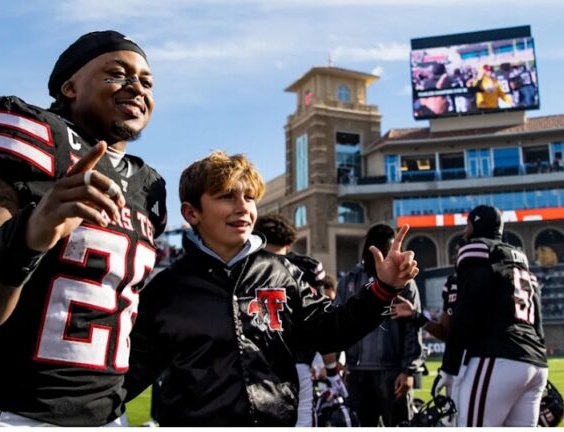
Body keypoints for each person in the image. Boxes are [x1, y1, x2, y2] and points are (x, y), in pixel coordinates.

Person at [0, 30, 167, 427]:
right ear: (69, 87)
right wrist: (28, 236)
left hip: (107, 418)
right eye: (116, 74)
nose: (137, 88)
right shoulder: (29, 134)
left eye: (147, 81)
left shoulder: (149, 188)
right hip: (7, 410)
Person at [123, 151, 419, 426]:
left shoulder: (282, 273)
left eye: (249, 197)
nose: (243, 207)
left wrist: (383, 288)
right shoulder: (167, 289)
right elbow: (127, 374)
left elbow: (332, 330)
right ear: (191, 213)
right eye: (227, 196)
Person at [437, 205, 548, 427]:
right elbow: (537, 318)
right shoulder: (520, 260)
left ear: (476, 225)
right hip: (535, 361)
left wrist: (449, 366)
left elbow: (466, 309)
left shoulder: (477, 251)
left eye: (468, 225)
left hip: (498, 356)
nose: (464, 231)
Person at [334, 224, 424, 426]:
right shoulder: (348, 281)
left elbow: (412, 328)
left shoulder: (404, 281)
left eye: (388, 248)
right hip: (357, 372)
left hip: (393, 372)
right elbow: (338, 322)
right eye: (379, 247)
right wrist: (337, 360)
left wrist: (408, 370)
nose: (385, 254)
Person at [253, 212, 327, 427]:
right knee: (301, 422)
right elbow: (321, 318)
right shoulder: (307, 267)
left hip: (259, 361)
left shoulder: (248, 267)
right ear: (289, 241)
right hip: (298, 360)